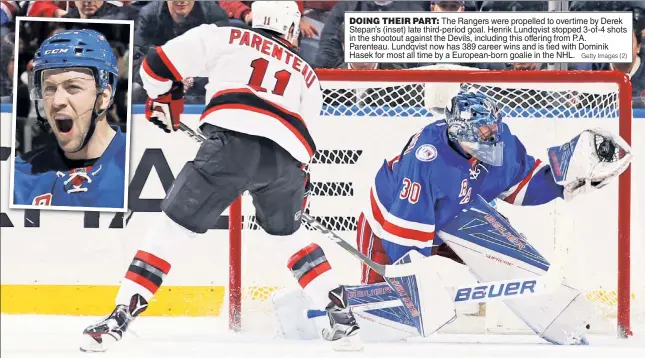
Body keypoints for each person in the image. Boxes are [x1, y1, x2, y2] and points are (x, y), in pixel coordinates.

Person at [80, 1, 363, 353]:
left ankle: (119, 318)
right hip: (287, 163)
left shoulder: (225, 34)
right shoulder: (308, 73)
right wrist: (297, 185)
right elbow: (308, 143)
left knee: (172, 230)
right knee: (289, 238)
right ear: (291, 28)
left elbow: (153, 68)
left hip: (230, 147)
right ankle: (342, 316)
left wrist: (165, 96)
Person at [351, 91, 631, 344]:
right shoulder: (427, 161)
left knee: (508, 256)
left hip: (458, 216)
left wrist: (566, 182)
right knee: (387, 320)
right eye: (484, 130)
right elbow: (403, 237)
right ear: (461, 131)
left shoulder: (502, 140)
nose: (493, 135)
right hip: (389, 225)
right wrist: (420, 285)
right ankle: (344, 316)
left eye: (494, 126)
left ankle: (559, 317)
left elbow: (522, 184)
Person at [12, 29, 127, 210]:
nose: (57, 101)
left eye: (73, 87)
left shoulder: (138, 166)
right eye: (49, 88)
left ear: (103, 97)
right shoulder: (18, 175)